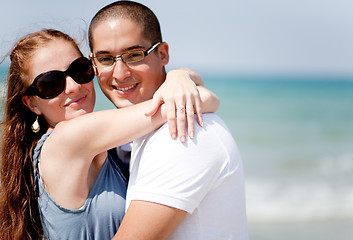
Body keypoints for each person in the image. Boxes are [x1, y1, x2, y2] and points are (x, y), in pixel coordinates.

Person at [0, 29, 218, 240]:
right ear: (32, 104)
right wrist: (180, 78)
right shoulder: (68, 138)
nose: (74, 86)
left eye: (79, 70)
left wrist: (180, 77)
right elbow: (194, 101)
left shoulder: (104, 144)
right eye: (50, 83)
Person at [88, 1, 249, 239]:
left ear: (162, 53)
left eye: (134, 55)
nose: (119, 73)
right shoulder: (134, 135)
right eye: (105, 59)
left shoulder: (182, 133)